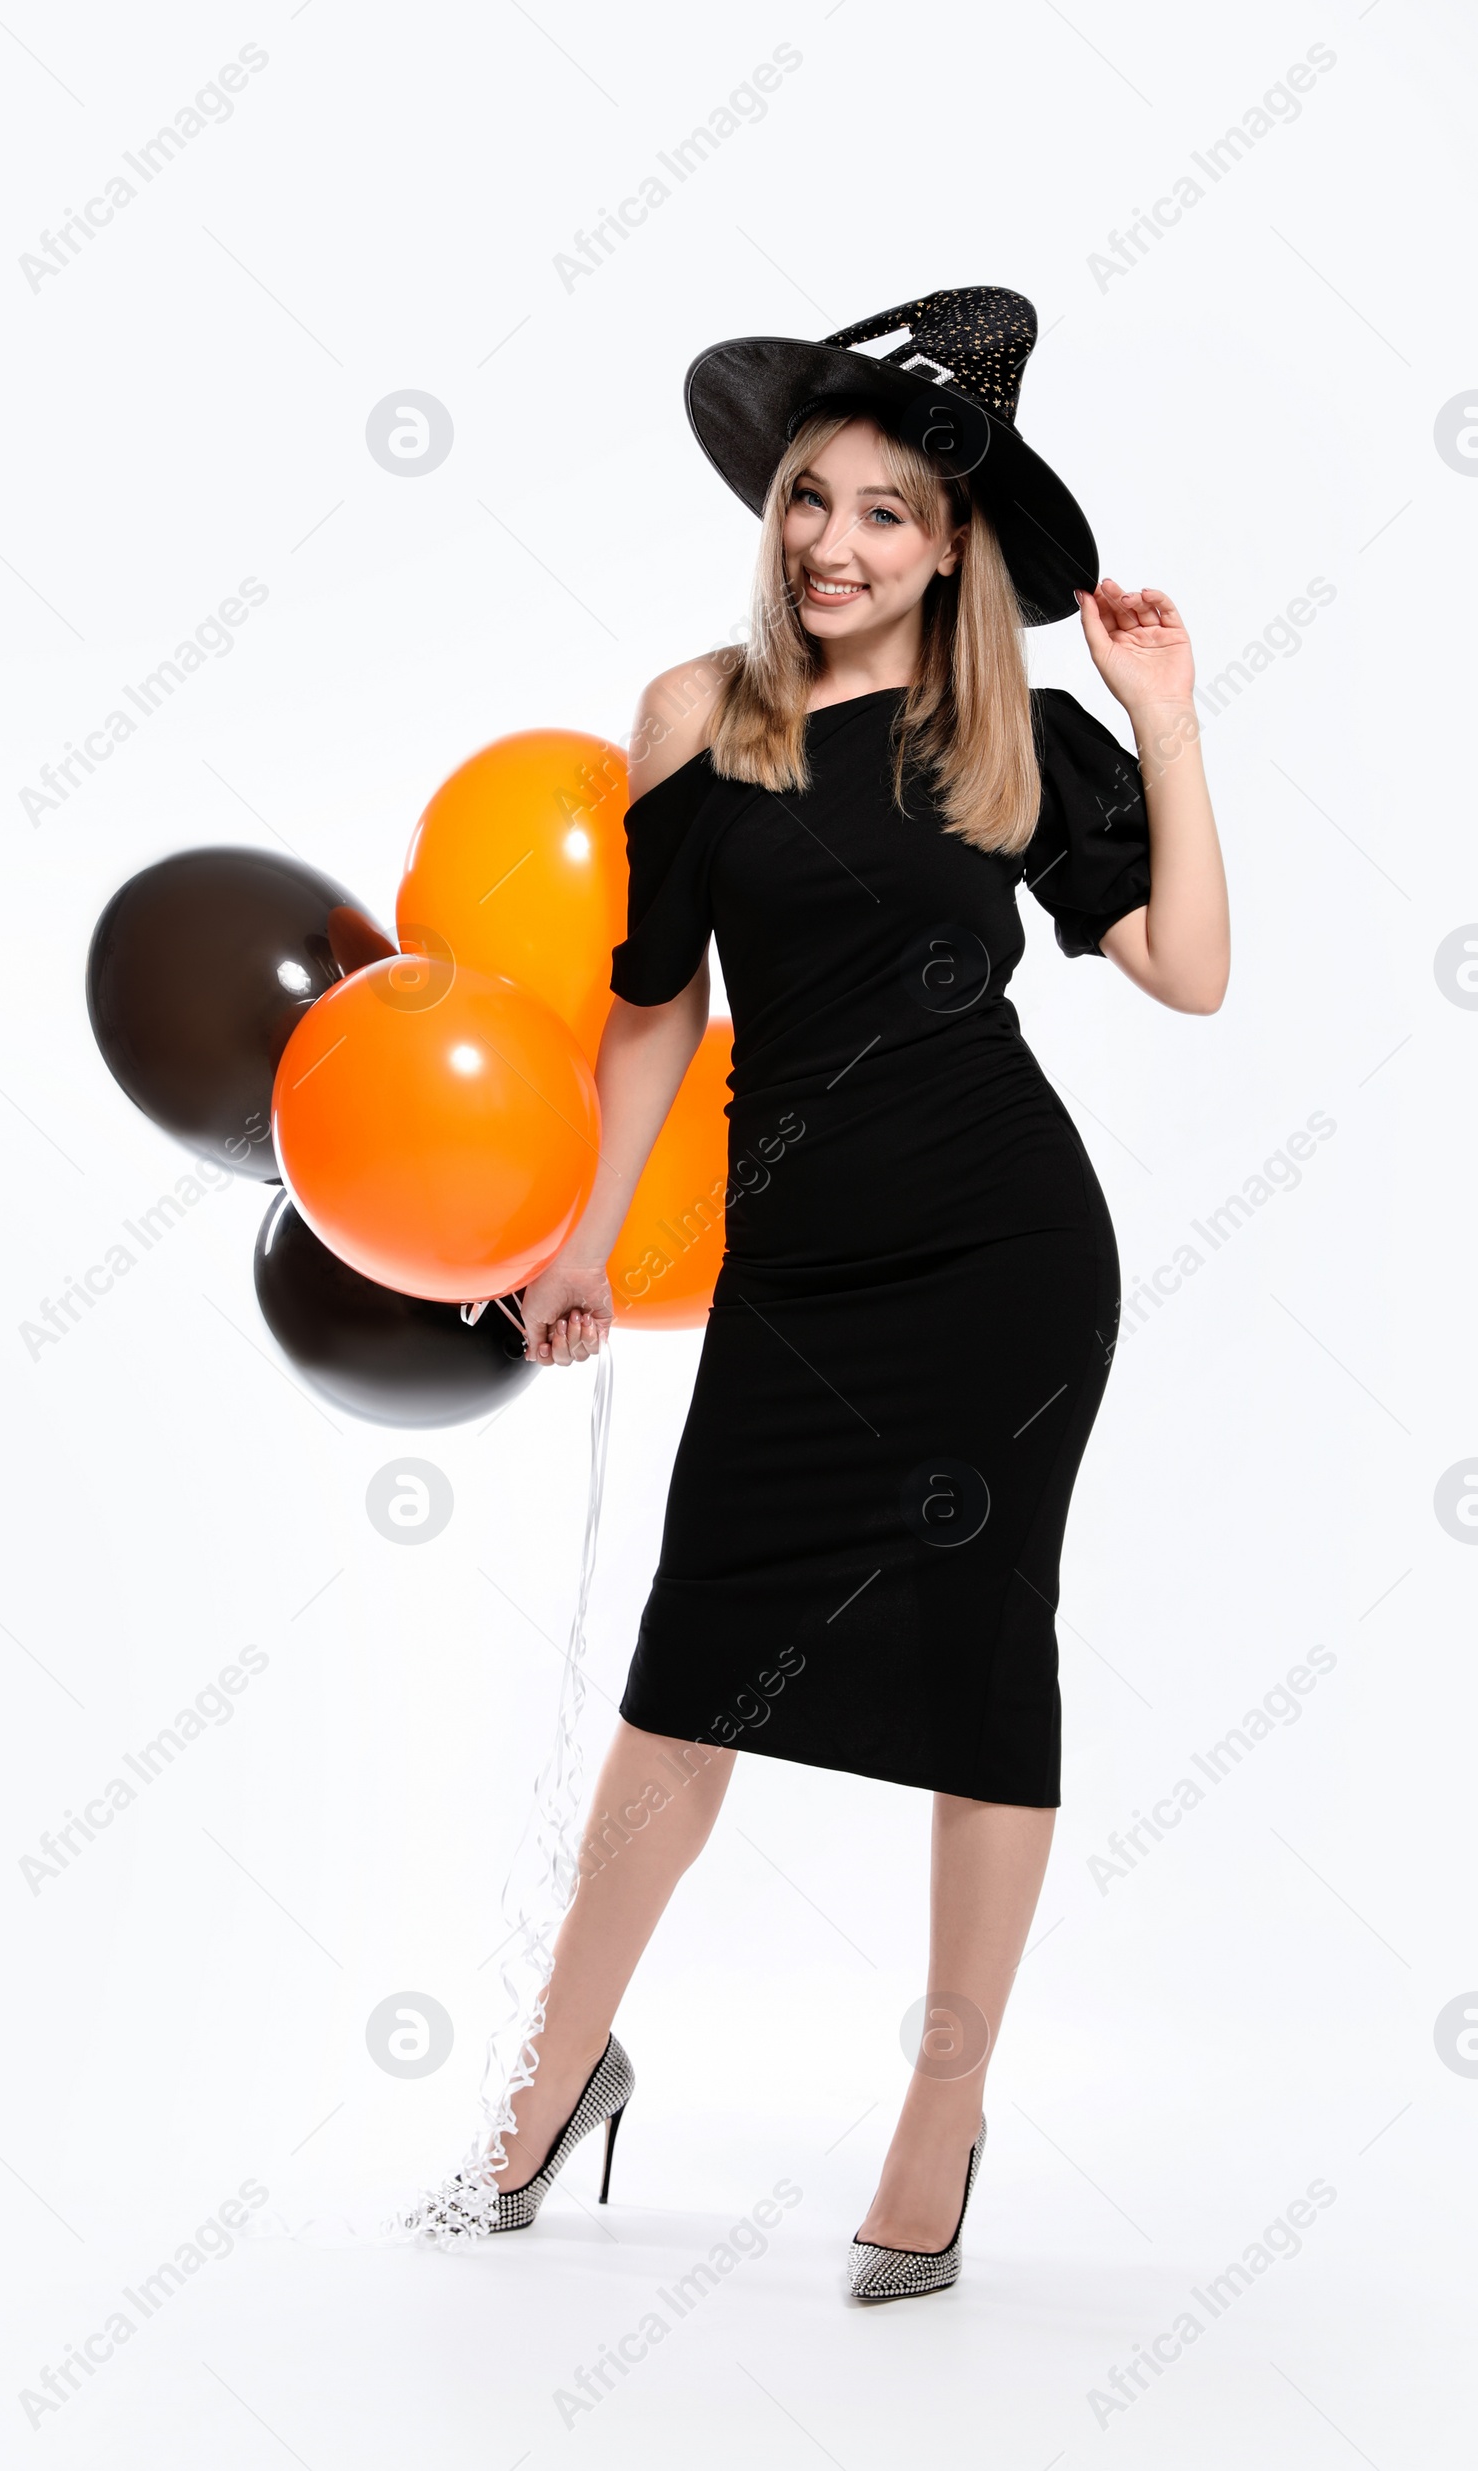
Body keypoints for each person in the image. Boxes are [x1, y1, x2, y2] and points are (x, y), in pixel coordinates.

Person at [503, 286, 1228, 2299]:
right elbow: (652, 1010)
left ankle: (941, 2111)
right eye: (810, 499)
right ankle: (553, 2071)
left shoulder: (1005, 740)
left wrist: (1164, 724)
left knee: (981, 1677)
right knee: (687, 1673)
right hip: (796, 1276)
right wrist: (579, 1246)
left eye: (887, 516)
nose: (832, 542)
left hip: (1003, 1261)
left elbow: (1184, 969)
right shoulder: (690, 716)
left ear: (950, 548)